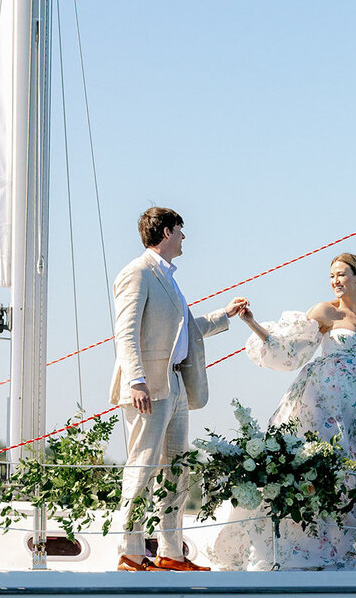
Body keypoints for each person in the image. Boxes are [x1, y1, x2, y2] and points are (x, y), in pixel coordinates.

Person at [208, 253, 356, 571]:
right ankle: (309, 545)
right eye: (332, 276)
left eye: (342, 274)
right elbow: (289, 347)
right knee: (322, 471)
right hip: (323, 404)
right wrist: (252, 322)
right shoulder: (324, 311)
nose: (336, 281)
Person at [110, 206, 248, 572]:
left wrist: (225, 315)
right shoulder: (137, 273)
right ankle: (131, 552)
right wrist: (136, 379)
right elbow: (125, 332)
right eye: (181, 231)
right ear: (167, 232)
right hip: (148, 387)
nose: (185, 238)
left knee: (177, 470)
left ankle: (171, 552)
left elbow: (185, 329)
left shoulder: (167, 277)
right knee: (142, 466)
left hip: (174, 384)